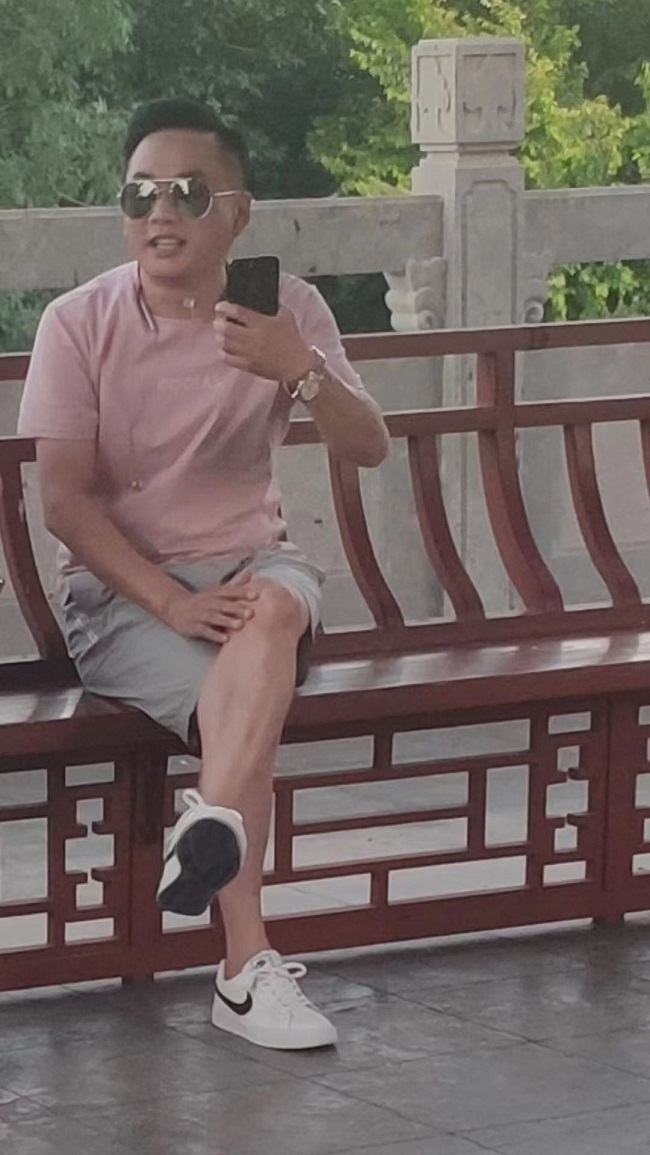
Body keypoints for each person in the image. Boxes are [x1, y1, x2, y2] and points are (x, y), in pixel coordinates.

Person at [17, 97, 389, 1051]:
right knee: (251, 689)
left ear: (238, 212)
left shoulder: (287, 311)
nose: (161, 212)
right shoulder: (78, 322)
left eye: (188, 191)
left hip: (258, 571)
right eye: (140, 193)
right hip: (124, 596)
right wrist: (174, 603)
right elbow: (65, 504)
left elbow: (370, 445)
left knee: (271, 611)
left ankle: (220, 859)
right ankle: (239, 963)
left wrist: (299, 367)